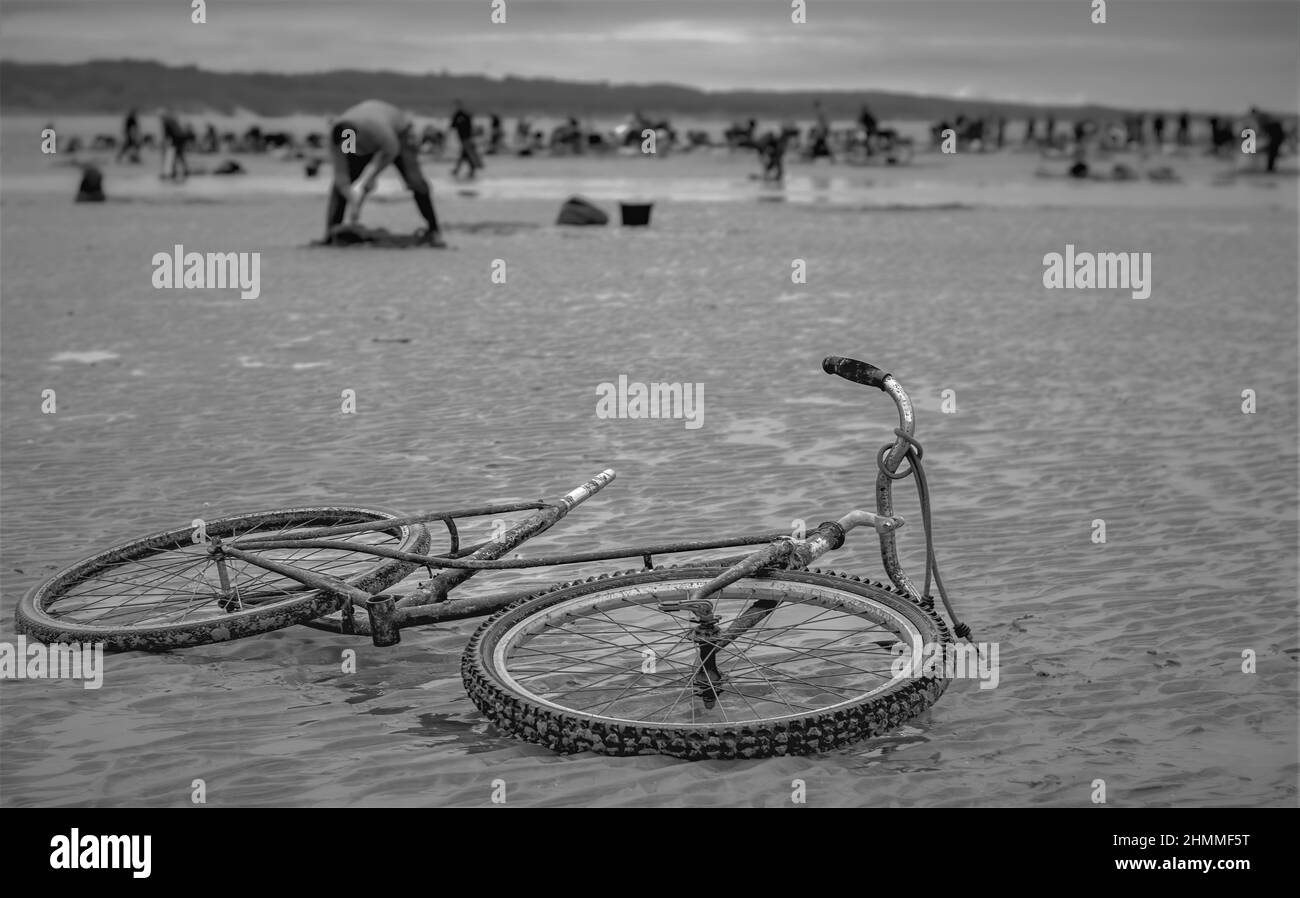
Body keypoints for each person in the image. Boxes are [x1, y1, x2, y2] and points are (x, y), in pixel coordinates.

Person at [325, 99, 445, 245]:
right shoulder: (338, 138)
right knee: (340, 187)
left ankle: (434, 229)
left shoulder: (377, 129)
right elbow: (341, 176)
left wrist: (370, 178)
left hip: (399, 135)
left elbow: (391, 151)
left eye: (351, 144)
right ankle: (331, 231)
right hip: (365, 137)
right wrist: (353, 200)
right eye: (346, 145)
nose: (349, 148)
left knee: (415, 182)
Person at [450, 100, 483, 178]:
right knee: (466, 154)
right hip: (465, 139)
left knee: (466, 154)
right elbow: (453, 125)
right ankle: (466, 170)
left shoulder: (463, 115)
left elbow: (453, 126)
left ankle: (458, 170)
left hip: (466, 139)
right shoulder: (460, 115)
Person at [1250, 107, 1286, 172]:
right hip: (1277, 135)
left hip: (1276, 136)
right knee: (1272, 152)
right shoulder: (1263, 116)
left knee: (1272, 152)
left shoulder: (1260, 118)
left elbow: (1263, 129)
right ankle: (1270, 167)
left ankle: (1270, 168)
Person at [158, 107, 190, 180]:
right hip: (179, 139)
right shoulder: (171, 120)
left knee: (175, 156)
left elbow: (167, 135)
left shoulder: (166, 122)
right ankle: (183, 170)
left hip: (176, 140)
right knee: (179, 155)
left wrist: (165, 143)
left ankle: (173, 171)